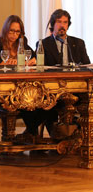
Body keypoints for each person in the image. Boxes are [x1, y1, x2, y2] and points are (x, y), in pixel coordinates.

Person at [23, 9, 91, 137]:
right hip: (51, 89)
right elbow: (40, 68)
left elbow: (86, 65)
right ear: (53, 24)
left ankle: (80, 135)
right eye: (59, 22)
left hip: (75, 88)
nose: (62, 25)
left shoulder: (78, 43)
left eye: (65, 22)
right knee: (47, 105)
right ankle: (56, 136)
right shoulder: (43, 44)